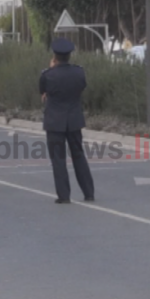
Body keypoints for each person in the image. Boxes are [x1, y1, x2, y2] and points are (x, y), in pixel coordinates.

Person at [39, 38, 95, 204]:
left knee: (58, 159)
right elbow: (82, 87)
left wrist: (52, 69)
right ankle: (88, 192)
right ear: (70, 55)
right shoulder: (79, 72)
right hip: (74, 120)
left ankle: (64, 195)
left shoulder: (47, 75)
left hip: (55, 122)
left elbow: (43, 92)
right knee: (79, 155)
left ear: (54, 57)